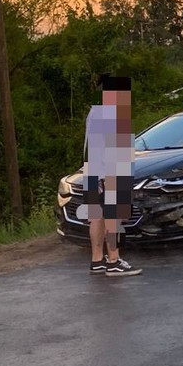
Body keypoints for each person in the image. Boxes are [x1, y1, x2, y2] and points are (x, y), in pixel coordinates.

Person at [81, 74, 142, 277]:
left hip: (92, 172)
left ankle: (97, 261)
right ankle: (114, 261)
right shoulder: (113, 114)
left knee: (96, 218)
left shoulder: (94, 113)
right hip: (109, 173)